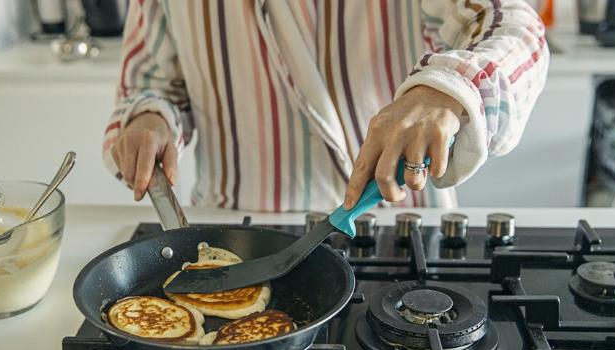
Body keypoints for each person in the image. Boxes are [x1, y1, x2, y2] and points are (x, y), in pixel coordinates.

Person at [103, 0, 548, 211]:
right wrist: (148, 118)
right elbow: (152, 83)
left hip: (399, 223)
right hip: (234, 227)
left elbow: (513, 25)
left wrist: (446, 88)